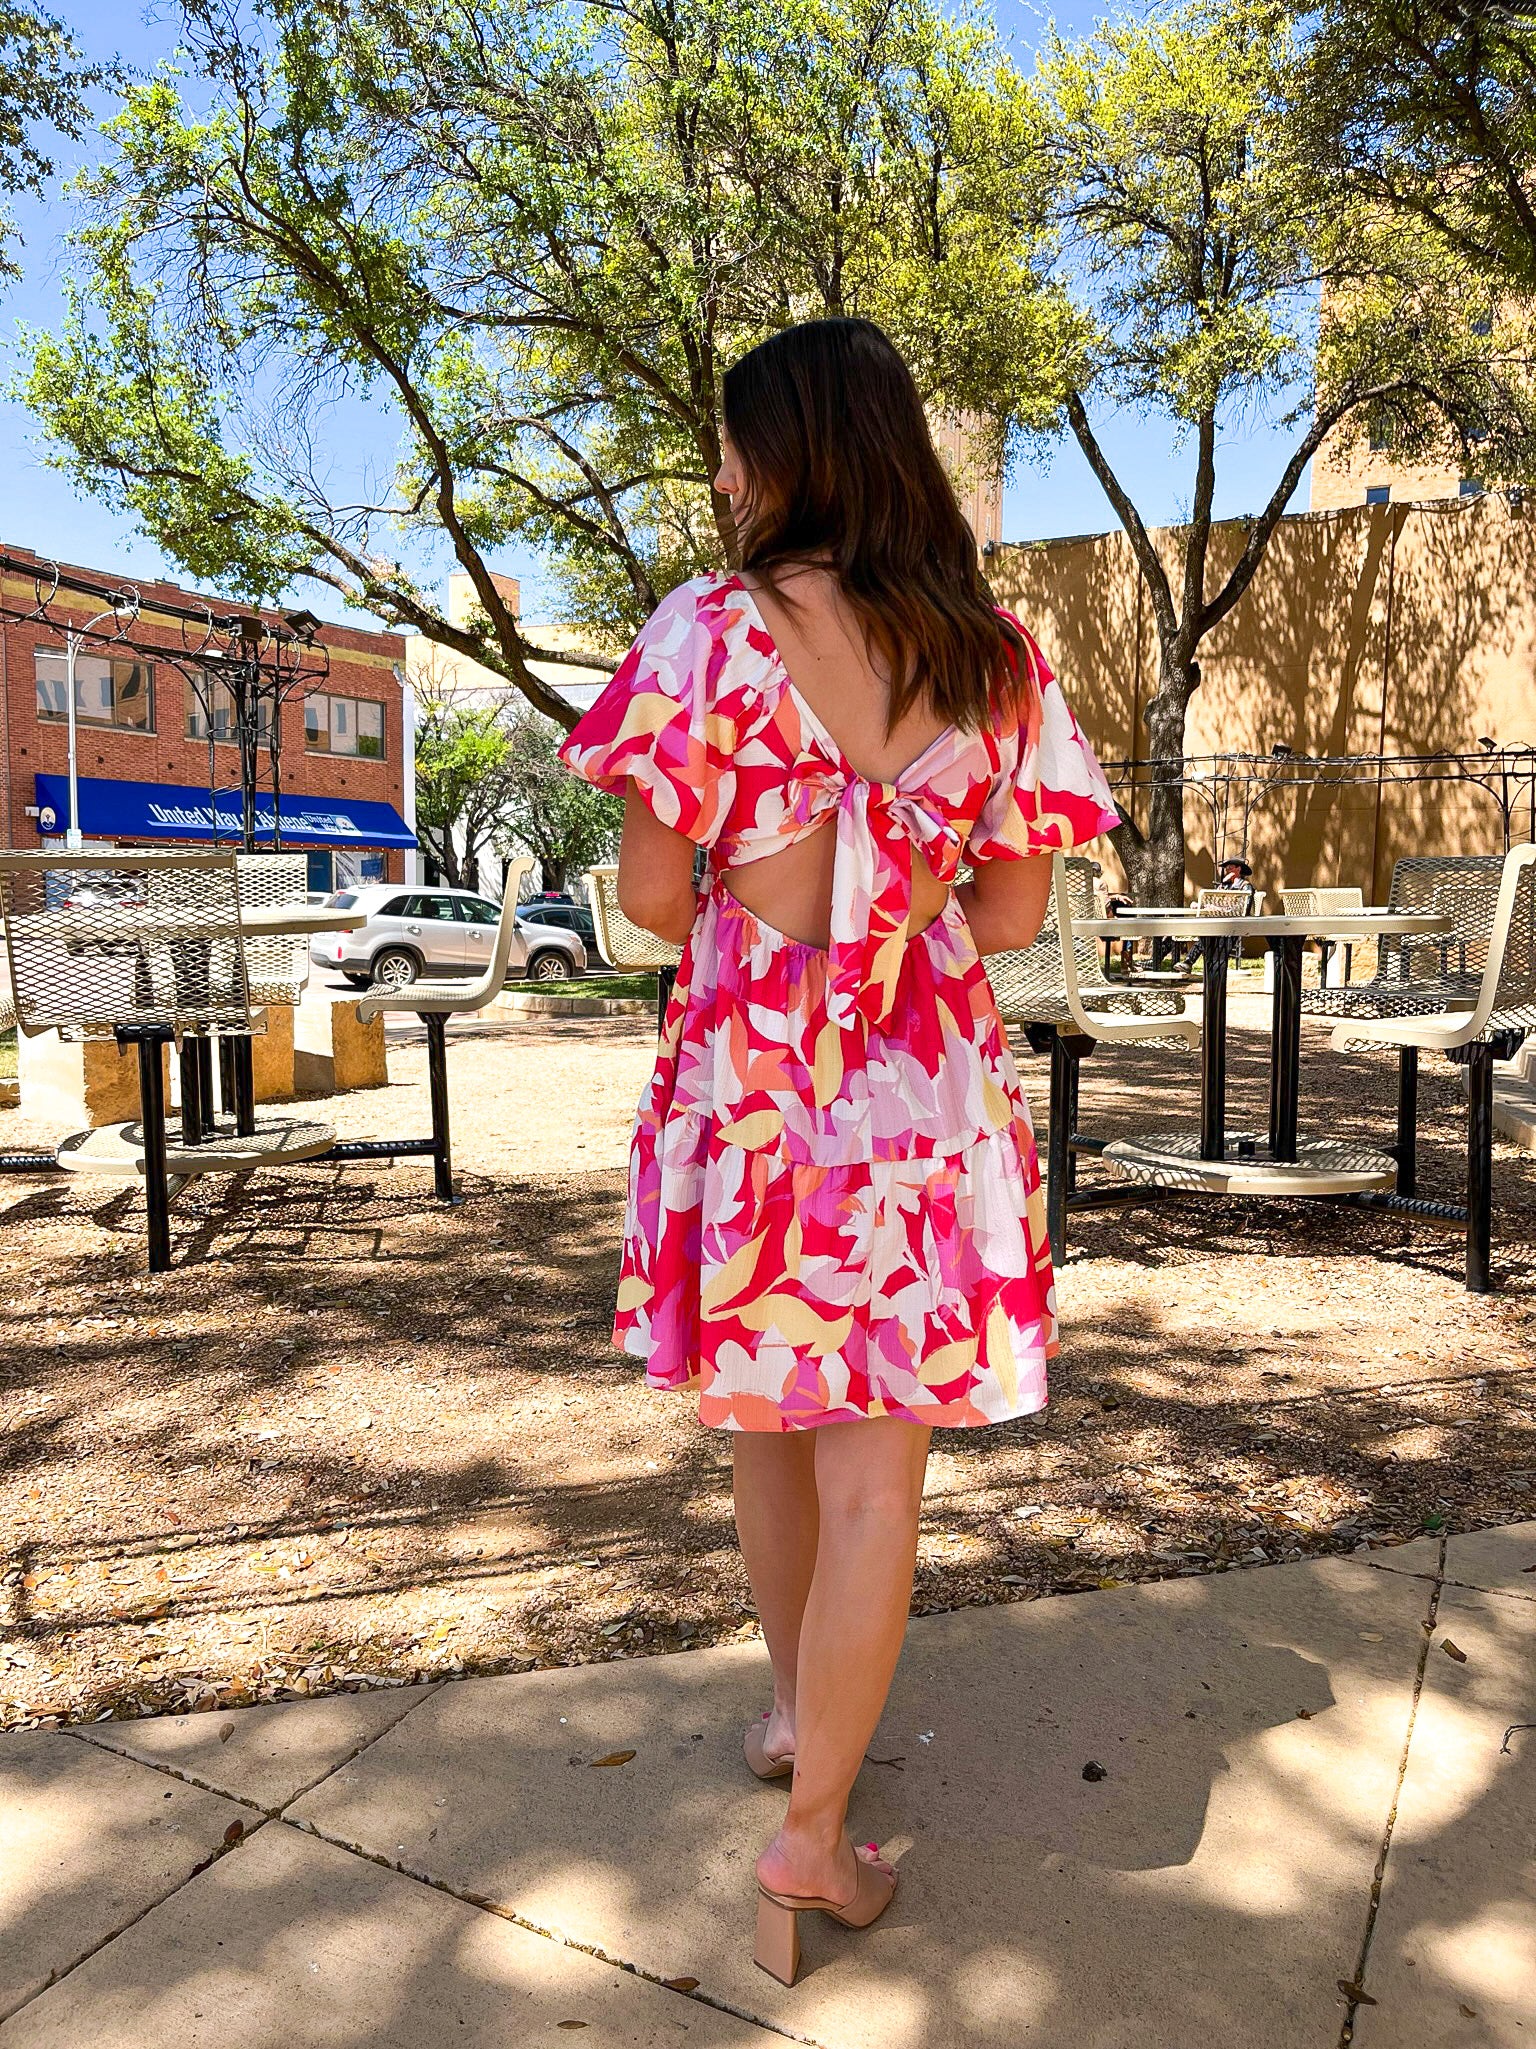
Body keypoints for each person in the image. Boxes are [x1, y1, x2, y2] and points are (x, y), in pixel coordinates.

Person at [558, 318, 1119, 1986]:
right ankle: (813, 1806)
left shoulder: (705, 631)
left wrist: (784, 864)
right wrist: (904, 857)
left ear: (795, 449)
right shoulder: (996, 656)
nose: (721, 474)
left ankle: (803, 1745)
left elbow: (657, 904)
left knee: (768, 1415)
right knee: (876, 1461)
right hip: (922, 1094)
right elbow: (1015, 908)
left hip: (759, 1078)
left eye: (735, 443)